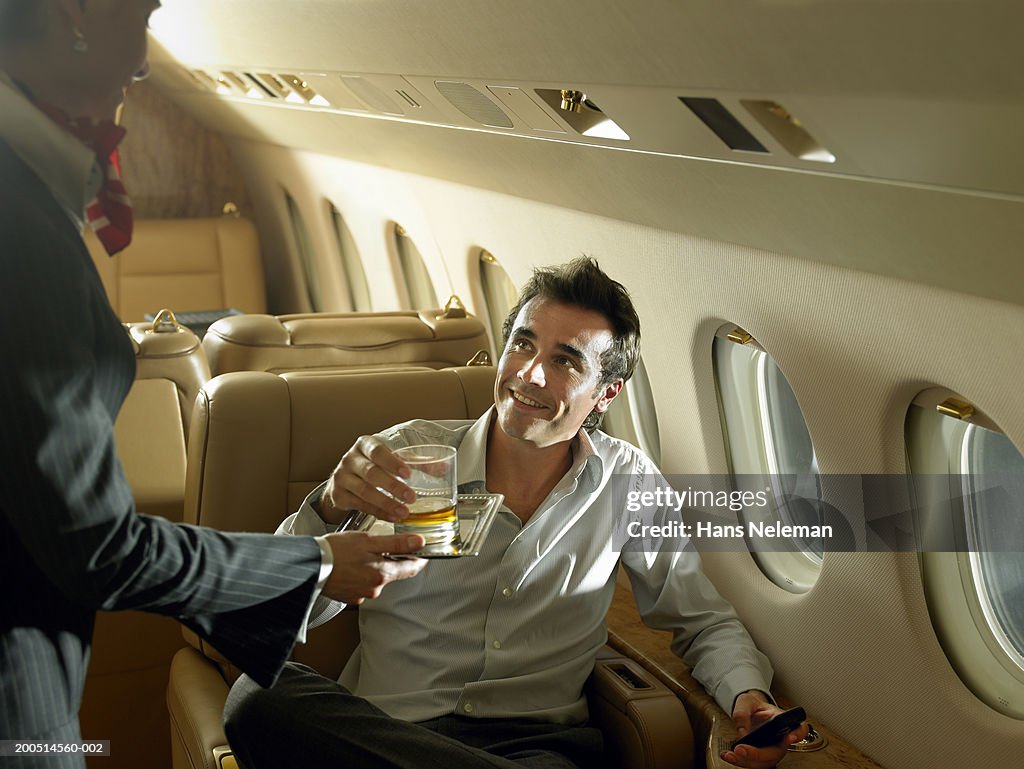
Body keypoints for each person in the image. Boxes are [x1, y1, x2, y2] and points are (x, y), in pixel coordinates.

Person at [0, 1, 425, 764]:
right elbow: (96, 548)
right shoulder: (18, 220)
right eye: (145, 11)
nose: (143, 58)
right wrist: (322, 561)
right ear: (79, 14)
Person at [225, 258, 808, 769]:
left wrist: (747, 696)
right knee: (257, 698)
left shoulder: (628, 484)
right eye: (523, 344)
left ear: (606, 393)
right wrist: (330, 508)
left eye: (565, 361)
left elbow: (701, 620)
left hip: (533, 748)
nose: (530, 375)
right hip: (384, 736)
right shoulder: (410, 457)